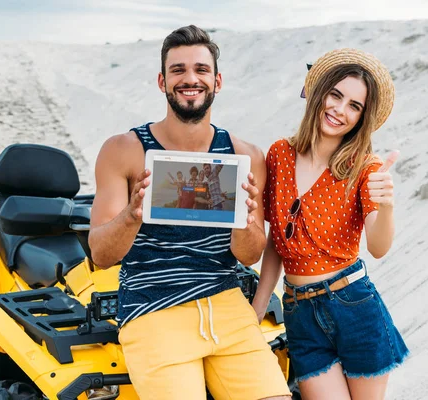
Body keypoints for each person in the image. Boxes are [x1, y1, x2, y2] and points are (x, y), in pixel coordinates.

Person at [88, 25, 291, 400]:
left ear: (217, 80)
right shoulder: (124, 150)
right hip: (153, 309)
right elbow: (101, 255)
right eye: (178, 70)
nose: (190, 79)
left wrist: (246, 222)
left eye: (200, 69)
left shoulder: (247, 156)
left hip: (228, 308)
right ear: (162, 81)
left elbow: (249, 255)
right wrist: (132, 214)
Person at [252, 48, 409, 400]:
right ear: (319, 93)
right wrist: (261, 301)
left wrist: (385, 205)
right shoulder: (279, 154)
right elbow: (279, 236)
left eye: (354, 106)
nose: (340, 110)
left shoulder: (366, 168)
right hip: (299, 312)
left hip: (354, 306)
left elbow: (379, 248)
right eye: (336, 95)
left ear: (361, 118)